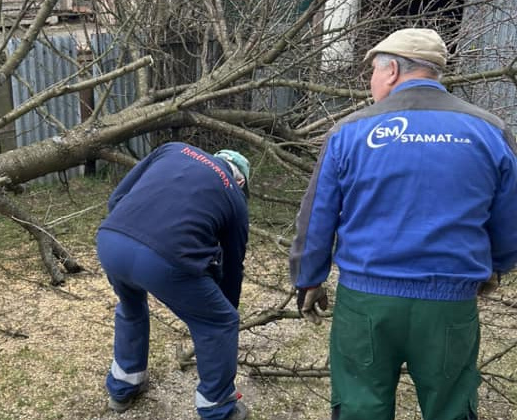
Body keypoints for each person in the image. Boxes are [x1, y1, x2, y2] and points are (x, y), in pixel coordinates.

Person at [289, 27, 517, 420]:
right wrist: (497, 265)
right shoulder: (491, 131)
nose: (372, 83)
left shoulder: (350, 132)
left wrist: (308, 276)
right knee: (450, 408)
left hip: (366, 304)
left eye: (373, 73)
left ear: (391, 69)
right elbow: (510, 217)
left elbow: (316, 216)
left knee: (361, 408)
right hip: (450, 303)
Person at [96, 142, 250, 420]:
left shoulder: (173, 150)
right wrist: (222, 310)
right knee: (220, 321)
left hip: (111, 240)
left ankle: (123, 387)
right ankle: (218, 407)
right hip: (166, 260)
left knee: (131, 307)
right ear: (239, 179)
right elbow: (233, 265)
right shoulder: (234, 194)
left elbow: (116, 199)